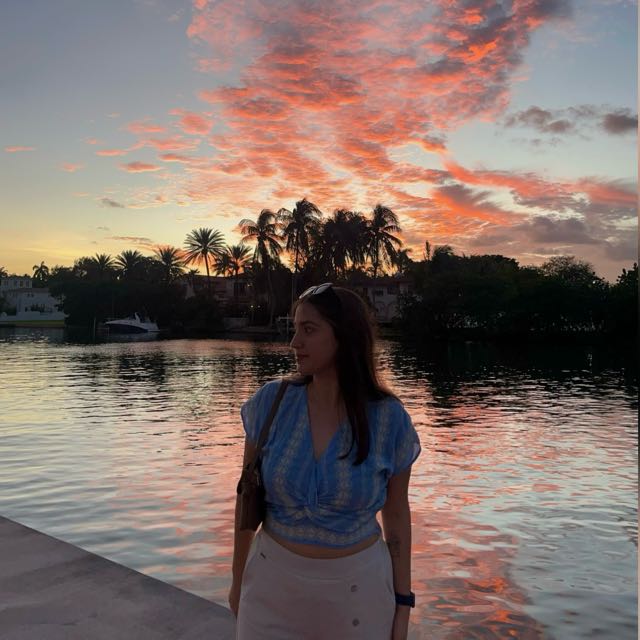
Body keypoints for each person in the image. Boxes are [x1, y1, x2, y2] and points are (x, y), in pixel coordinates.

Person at [229, 283, 421, 640]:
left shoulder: (389, 419)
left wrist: (403, 605)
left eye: (309, 329)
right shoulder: (271, 403)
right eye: (295, 329)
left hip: (358, 598)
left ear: (344, 336)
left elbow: (396, 516)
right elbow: (245, 498)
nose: (294, 342)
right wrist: (238, 581)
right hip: (269, 591)